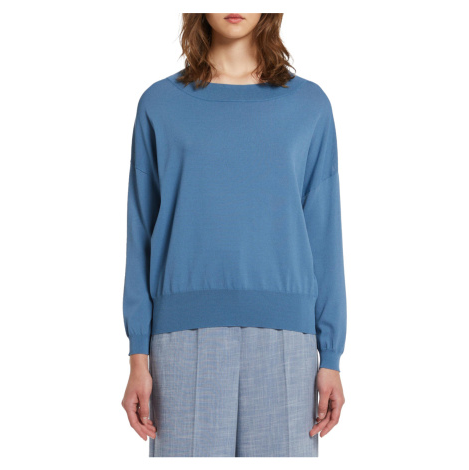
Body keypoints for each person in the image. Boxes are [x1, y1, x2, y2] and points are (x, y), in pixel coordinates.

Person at [121, 13, 347, 457]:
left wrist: (332, 356)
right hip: (181, 340)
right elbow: (140, 232)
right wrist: (137, 356)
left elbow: (324, 233)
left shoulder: (309, 106)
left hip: (287, 340)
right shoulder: (159, 105)